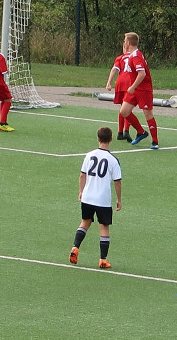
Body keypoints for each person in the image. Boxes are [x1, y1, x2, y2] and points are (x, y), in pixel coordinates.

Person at [69, 126, 122, 269]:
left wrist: (81, 191)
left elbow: (82, 175)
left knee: (85, 222)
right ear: (111, 139)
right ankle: (103, 260)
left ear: (98, 138)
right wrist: (119, 199)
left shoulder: (89, 155)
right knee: (104, 227)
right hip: (102, 200)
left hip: (87, 196)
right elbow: (117, 181)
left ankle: (75, 247)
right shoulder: (113, 160)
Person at [118, 32, 159, 150]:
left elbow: (142, 74)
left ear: (128, 42)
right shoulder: (132, 55)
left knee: (148, 114)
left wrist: (133, 87)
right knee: (124, 111)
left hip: (143, 90)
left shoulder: (136, 56)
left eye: (125, 40)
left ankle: (155, 141)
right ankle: (141, 132)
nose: (124, 43)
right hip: (135, 89)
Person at [105, 45, 134, 142]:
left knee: (123, 108)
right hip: (129, 83)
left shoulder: (120, 57)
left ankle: (120, 132)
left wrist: (109, 83)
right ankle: (126, 131)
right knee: (127, 109)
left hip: (120, 83)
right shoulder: (135, 56)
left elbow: (114, 69)